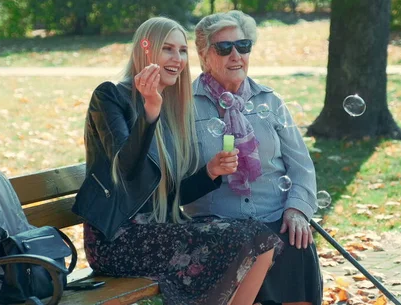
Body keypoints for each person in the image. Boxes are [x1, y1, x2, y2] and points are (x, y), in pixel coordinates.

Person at [71, 16, 283, 305]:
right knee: (246, 239)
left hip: (159, 229)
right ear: (146, 50)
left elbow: (171, 196)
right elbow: (125, 170)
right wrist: (149, 111)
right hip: (118, 239)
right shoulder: (110, 96)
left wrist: (209, 172)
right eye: (168, 49)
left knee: (260, 239)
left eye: (183, 50)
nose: (178, 58)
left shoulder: (171, 109)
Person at [184, 10, 323, 305]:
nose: (236, 55)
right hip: (221, 226)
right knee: (253, 247)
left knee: (297, 241)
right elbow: (175, 183)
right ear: (204, 55)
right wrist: (209, 170)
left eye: (243, 46)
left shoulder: (269, 101)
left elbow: (301, 167)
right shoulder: (185, 106)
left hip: (277, 218)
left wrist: (297, 209)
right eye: (224, 48)